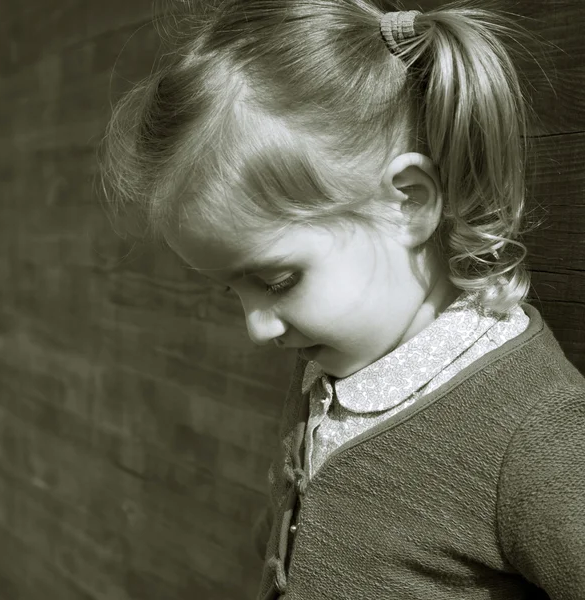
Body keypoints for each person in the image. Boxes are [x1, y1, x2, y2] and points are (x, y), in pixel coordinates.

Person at [98, 0, 585, 598]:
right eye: (232, 290)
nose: (257, 328)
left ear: (407, 203)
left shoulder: (533, 429)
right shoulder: (333, 368)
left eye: (278, 281)